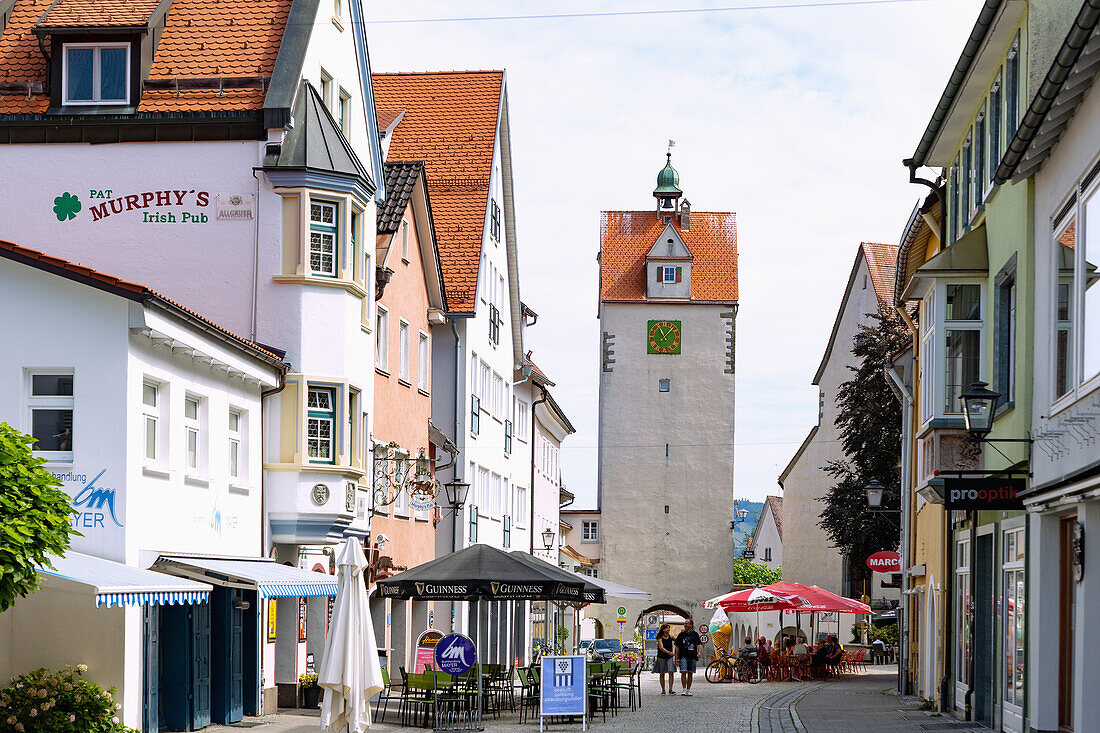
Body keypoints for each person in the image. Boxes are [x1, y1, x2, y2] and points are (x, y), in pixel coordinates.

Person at [674, 618, 702, 696]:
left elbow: (699, 644)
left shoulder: (695, 634)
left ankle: (688, 690)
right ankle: (684, 689)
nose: (685, 625)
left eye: (687, 623)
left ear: (691, 625)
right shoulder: (681, 634)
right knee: (683, 672)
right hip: (683, 656)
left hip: (692, 656)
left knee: (690, 673)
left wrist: (699, 652)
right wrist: (676, 657)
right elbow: (677, 646)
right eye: (685, 623)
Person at [653, 624, 676, 695]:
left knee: (671, 672)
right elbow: (661, 648)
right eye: (667, 628)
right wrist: (669, 652)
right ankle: (663, 689)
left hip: (669, 657)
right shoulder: (659, 638)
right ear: (663, 629)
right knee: (662, 673)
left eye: (669, 628)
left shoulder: (670, 636)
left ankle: (670, 689)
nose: (668, 630)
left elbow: (677, 639)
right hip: (661, 657)